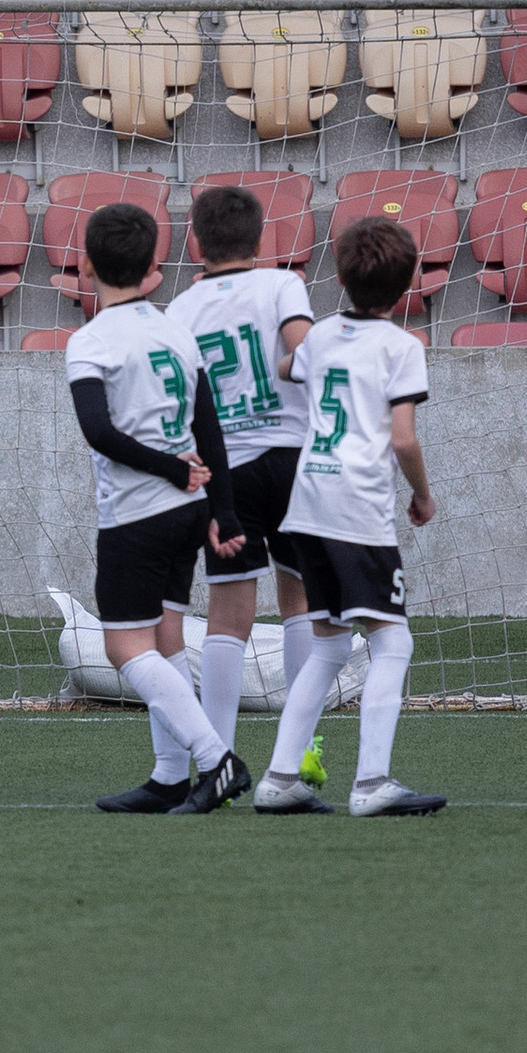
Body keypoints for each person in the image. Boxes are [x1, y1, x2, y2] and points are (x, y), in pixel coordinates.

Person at [254, 218, 445, 821]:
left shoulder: (323, 336)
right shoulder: (402, 347)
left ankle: (280, 779)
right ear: (408, 285)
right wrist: (423, 495)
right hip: (357, 509)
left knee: (330, 646)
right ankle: (372, 782)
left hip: (307, 504)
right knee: (393, 640)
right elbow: (404, 438)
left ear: (339, 278)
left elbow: (285, 367)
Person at [64, 199, 246, 816]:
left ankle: (216, 759)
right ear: (152, 269)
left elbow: (98, 431)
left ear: (87, 266)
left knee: (124, 648)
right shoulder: (176, 330)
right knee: (166, 638)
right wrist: (223, 509)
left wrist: (170, 468)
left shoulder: (90, 341)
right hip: (188, 510)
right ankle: (169, 776)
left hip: (136, 514)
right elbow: (209, 425)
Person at [170, 180, 322, 779]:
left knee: (228, 613)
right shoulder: (283, 284)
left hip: (225, 468)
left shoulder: (181, 309)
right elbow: (306, 356)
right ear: (260, 241)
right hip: (290, 456)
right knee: (300, 600)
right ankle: (299, 757)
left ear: (194, 244)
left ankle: (219, 763)